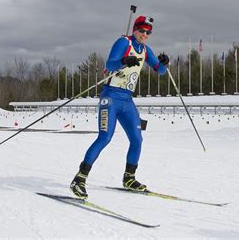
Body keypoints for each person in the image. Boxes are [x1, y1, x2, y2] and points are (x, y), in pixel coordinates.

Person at [70, 15, 169, 199]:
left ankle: (129, 178)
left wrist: (163, 63)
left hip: (127, 100)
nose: (144, 35)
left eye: (148, 32)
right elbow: (110, 64)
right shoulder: (124, 42)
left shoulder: (145, 50)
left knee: (137, 139)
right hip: (111, 97)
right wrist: (124, 61)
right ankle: (79, 178)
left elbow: (160, 71)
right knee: (105, 137)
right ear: (135, 29)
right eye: (141, 30)